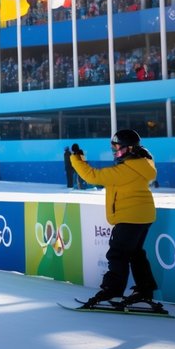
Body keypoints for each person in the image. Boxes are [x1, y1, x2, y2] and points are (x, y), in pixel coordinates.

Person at [70, 132, 160, 309]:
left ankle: (113, 290)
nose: (114, 152)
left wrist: (76, 160)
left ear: (130, 149)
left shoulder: (126, 170)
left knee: (117, 254)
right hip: (143, 216)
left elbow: (92, 176)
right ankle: (144, 289)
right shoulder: (141, 165)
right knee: (135, 254)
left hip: (129, 217)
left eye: (117, 148)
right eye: (113, 148)